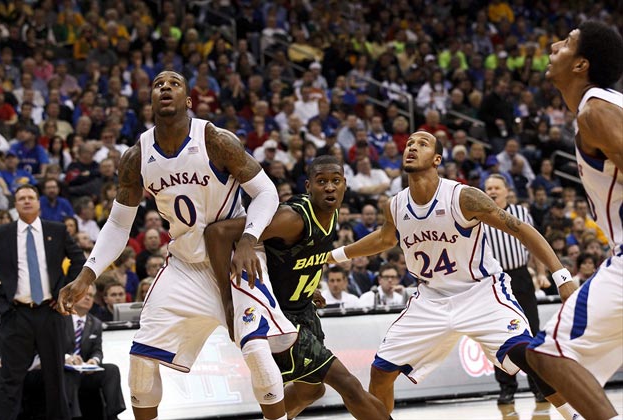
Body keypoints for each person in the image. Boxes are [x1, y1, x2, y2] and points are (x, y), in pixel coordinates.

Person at [57, 70, 296, 420]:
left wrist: (249, 239)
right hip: (185, 265)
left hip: (234, 259)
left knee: (257, 353)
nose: (165, 87)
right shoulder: (136, 156)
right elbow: (118, 224)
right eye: (157, 84)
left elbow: (266, 192)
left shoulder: (215, 139)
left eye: (174, 83)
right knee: (140, 365)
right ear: (151, 101)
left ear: (188, 100)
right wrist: (87, 274)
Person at [327, 131, 578, 418]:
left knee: (528, 356)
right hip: (430, 299)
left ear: (437, 159)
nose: (412, 147)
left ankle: (575, 414)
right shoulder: (395, 204)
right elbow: (385, 239)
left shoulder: (464, 197)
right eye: (409, 143)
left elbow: (520, 229)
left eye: (422, 144)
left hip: (481, 292)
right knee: (381, 371)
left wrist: (561, 276)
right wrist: (335, 254)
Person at [205, 155, 388, 419]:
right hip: (280, 318)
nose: (329, 187)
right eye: (321, 181)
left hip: (304, 310)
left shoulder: (332, 211)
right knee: (348, 384)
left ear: (345, 185)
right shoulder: (293, 218)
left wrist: (307, 284)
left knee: (311, 392)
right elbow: (218, 233)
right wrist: (228, 296)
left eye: (335, 181)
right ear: (308, 186)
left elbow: (298, 256)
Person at [526, 21, 623, 420]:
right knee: (565, 367)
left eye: (565, 43)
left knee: (548, 353)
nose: (553, 44)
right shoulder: (604, 106)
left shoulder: (596, 111)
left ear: (581, 64)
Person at [0, 184, 86, 420]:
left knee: (55, 377)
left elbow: (78, 260)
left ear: (38, 203)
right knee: (10, 380)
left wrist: (67, 292)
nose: (26, 201)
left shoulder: (57, 230)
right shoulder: (0, 234)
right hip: (15, 313)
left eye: (30, 197)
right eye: (21, 198)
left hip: (50, 311)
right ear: (15, 204)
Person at [483, 174, 550, 404]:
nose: (492, 191)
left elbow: (534, 243)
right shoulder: (478, 216)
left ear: (506, 190)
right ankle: (506, 388)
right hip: (493, 281)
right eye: (488, 188)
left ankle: (538, 386)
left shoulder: (521, 212)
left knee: (531, 330)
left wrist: (541, 272)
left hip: (521, 276)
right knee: (498, 335)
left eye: (496, 188)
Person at [64, 283, 126, 420]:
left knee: (111, 370)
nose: (88, 298)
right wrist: (67, 358)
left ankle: (113, 414)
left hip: (86, 371)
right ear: (74, 297)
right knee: (69, 374)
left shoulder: (96, 323)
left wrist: (94, 360)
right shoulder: (60, 319)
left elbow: (97, 350)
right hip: (65, 370)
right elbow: (52, 347)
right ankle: (73, 416)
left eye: (91, 295)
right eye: (85, 294)